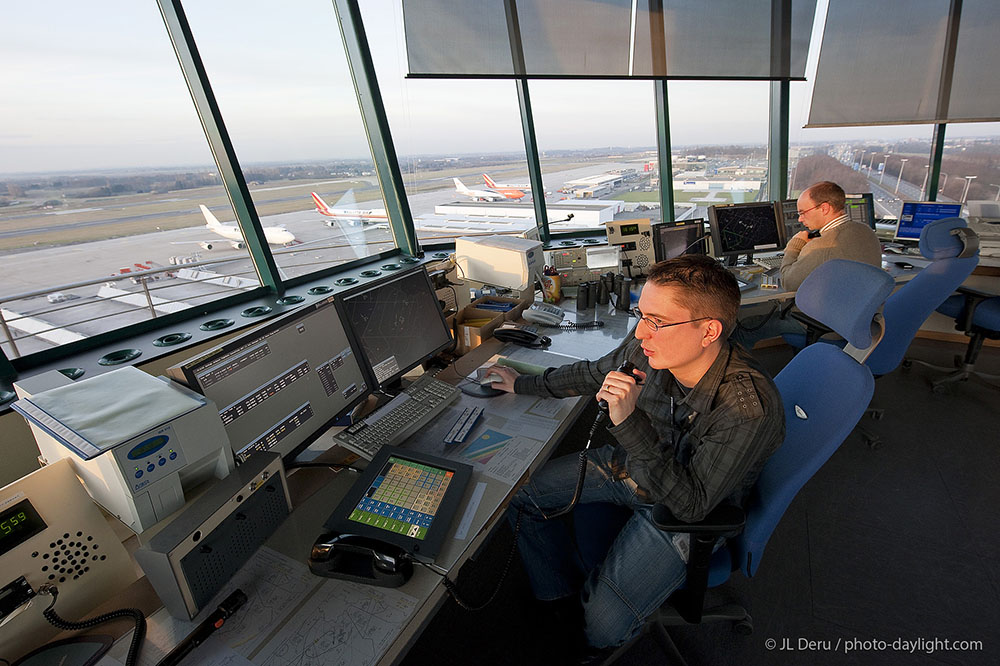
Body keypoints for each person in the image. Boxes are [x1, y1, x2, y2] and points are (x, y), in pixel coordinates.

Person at [485, 254, 785, 659]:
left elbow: (691, 504)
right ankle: (556, 597)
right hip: (638, 465)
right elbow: (596, 373)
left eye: (657, 321)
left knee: (602, 626)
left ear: (708, 331)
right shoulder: (651, 347)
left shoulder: (746, 407)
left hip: (685, 506)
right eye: (642, 314)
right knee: (520, 495)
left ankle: (589, 631)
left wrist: (628, 423)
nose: (641, 332)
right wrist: (522, 383)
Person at [734, 180, 882, 348]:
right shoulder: (866, 231)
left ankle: (740, 372)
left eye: (803, 212)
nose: (800, 218)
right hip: (858, 322)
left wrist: (794, 246)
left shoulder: (823, 245)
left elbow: (788, 282)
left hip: (826, 325)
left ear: (824, 208)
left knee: (745, 327)